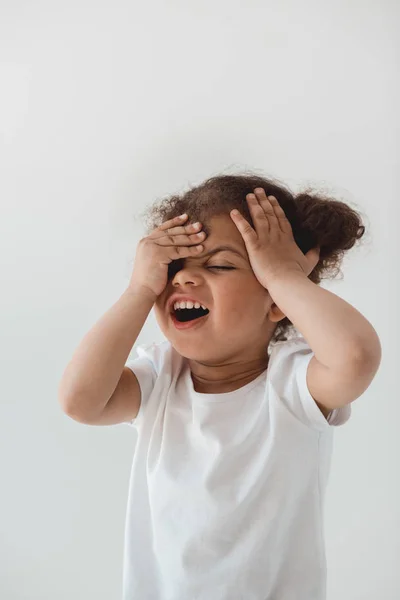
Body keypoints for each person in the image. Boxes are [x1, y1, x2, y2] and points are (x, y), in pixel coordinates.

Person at [58, 173, 382, 600]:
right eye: (173, 268)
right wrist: (138, 290)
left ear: (277, 303)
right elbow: (80, 401)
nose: (182, 280)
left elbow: (355, 358)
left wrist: (285, 277)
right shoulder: (160, 377)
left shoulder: (294, 385)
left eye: (219, 264)